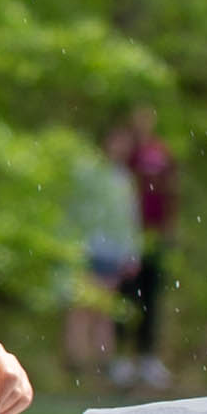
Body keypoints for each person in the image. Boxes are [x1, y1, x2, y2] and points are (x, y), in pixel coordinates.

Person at [104, 103, 180, 390]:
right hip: (124, 239)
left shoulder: (160, 152)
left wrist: (169, 228)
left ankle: (147, 357)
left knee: (151, 297)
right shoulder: (125, 156)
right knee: (123, 299)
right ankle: (119, 358)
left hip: (153, 236)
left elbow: (171, 189)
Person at [60, 139, 142, 393]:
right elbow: (74, 211)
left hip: (110, 253)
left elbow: (130, 218)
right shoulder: (87, 173)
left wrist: (131, 252)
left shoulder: (123, 179)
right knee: (82, 309)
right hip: (86, 250)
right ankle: (78, 364)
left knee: (103, 309)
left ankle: (102, 366)